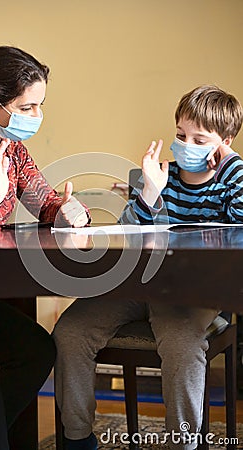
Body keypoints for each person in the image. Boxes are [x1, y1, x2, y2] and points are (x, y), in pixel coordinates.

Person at [53, 84, 243, 450]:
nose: (186, 145)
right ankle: (77, 438)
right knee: (70, 331)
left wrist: (232, 163)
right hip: (138, 286)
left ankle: (181, 443)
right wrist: (150, 193)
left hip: (193, 296)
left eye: (200, 139)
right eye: (180, 135)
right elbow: (129, 236)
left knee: (182, 345)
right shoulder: (157, 177)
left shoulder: (230, 183)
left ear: (225, 141)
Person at [0, 45, 89, 450]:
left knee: (36, 349)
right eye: (27, 108)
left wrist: (67, 211)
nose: (36, 118)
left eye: (40, 106)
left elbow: (45, 202)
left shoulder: (14, 152)